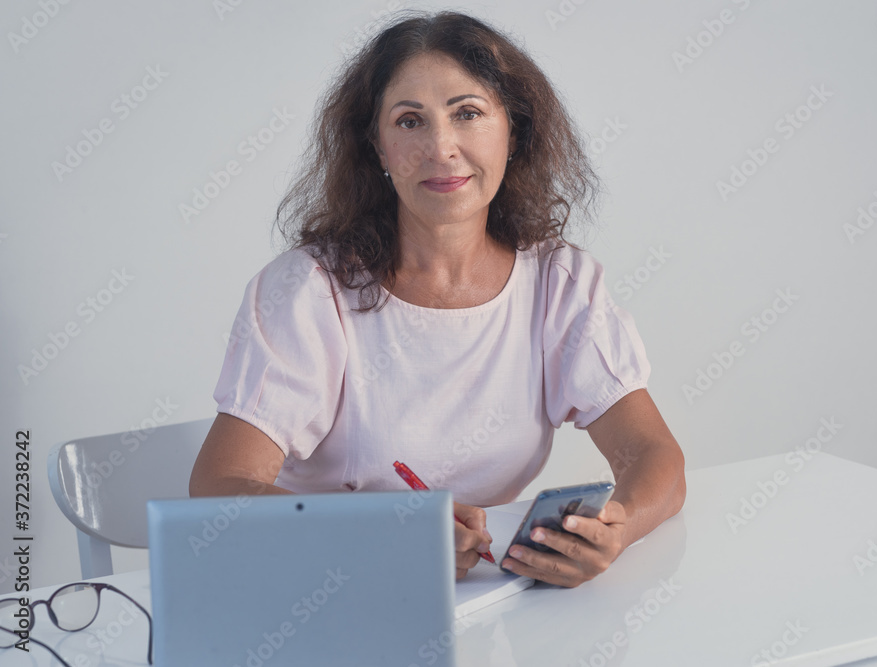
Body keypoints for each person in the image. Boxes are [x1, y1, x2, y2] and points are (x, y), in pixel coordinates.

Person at [189, 9, 685, 588]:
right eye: (409, 121)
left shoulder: (560, 283)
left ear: (513, 131)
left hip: (487, 596)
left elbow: (656, 459)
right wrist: (387, 536)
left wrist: (614, 532)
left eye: (467, 113)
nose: (441, 148)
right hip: (322, 589)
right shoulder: (307, 290)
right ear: (377, 147)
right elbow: (218, 489)